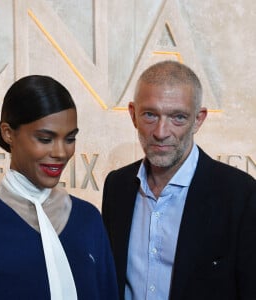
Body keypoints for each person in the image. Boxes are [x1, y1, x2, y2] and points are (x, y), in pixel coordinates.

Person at [102, 60, 256, 300]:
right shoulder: (117, 185)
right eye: (150, 115)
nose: (161, 132)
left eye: (178, 118)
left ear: (198, 119)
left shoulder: (240, 195)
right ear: (133, 115)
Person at [0, 75, 119, 300]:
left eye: (70, 139)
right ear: (8, 133)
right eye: (45, 139)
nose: (61, 153)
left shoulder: (88, 219)